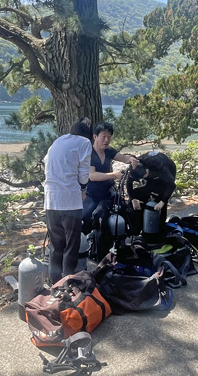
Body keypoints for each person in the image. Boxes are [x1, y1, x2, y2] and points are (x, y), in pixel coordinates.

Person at [43, 117, 93, 284]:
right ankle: (67, 282)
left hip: (50, 199)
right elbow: (84, 173)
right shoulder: (84, 142)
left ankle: (53, 282)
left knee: (56, 245)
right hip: (70, 199)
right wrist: (84, 189)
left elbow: (46, 162)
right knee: (72, 244)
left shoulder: (58, 140)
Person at [83, 122, 139, 258]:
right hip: (93, 194)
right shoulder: (89, 153)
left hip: (108, 192)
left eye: (109, 137)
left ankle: (117, 243)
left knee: (125, 211)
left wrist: (131, 159)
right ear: (95, 137)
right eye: (103, 136)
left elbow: (124, 158)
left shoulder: (108, 151)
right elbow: (92, 176)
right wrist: (113, 175)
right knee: (85, 218)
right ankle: (86, 247)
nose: (106, 140)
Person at [126, 149, 177, 247]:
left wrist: (162, 202)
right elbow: (129, 184)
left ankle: (159, 233)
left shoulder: (160, 166)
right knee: (139, 194)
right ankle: (136, 228)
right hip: (149, 172)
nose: (145, 177)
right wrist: (133, 199)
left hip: (168, 172)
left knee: (160, 197)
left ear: (147, 169)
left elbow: (171, 185)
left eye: (145, 175)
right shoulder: (135, 166)